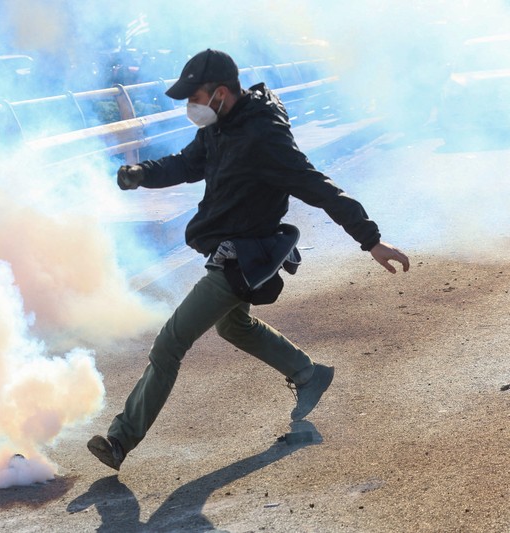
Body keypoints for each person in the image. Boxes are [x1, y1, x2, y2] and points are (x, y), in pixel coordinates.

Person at [87, 49, 410, 471]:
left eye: (196, 97)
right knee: (233, 325)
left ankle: (119, 440)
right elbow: (187, 164)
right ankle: (309, 375)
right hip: (224, 250)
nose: (191, 106)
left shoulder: (263, 137)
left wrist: (372, 241)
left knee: (169, 343)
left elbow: (319, 187)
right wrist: (143, 173)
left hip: (243, 259)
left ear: (220, 93)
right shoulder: (221, 126)